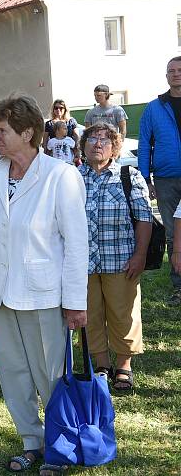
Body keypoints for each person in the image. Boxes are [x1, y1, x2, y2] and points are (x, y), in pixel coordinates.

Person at [0, 95, 88, 475]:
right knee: (15, 374)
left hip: (44, 294)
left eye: (2, 131)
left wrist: (76, 302)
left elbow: (76, 245)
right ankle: (31, 442)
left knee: (50, 374)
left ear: (28, 132)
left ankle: (60, 446)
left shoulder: (60, 176)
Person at [79, 123, 151, 394]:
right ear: (83, 146)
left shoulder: (128, 175)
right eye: (92, 139)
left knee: (123, 312)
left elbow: (144, 217)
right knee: (89, 312)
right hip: (83, 262)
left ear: (115, 148)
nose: (98, 143)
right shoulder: (72, 177)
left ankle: (123, 365)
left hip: (121, 259)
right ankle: (100, 364)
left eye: (105, 140)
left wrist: (140, 255)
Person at [139, 56, 181, 305]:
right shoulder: (154, 108)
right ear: (166, 77)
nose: (176, 74)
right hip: (165, 179)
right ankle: (179, 287)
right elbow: (145, 143)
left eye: (179, 70)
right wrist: (146, 177)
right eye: (171, 71)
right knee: (172, 233)